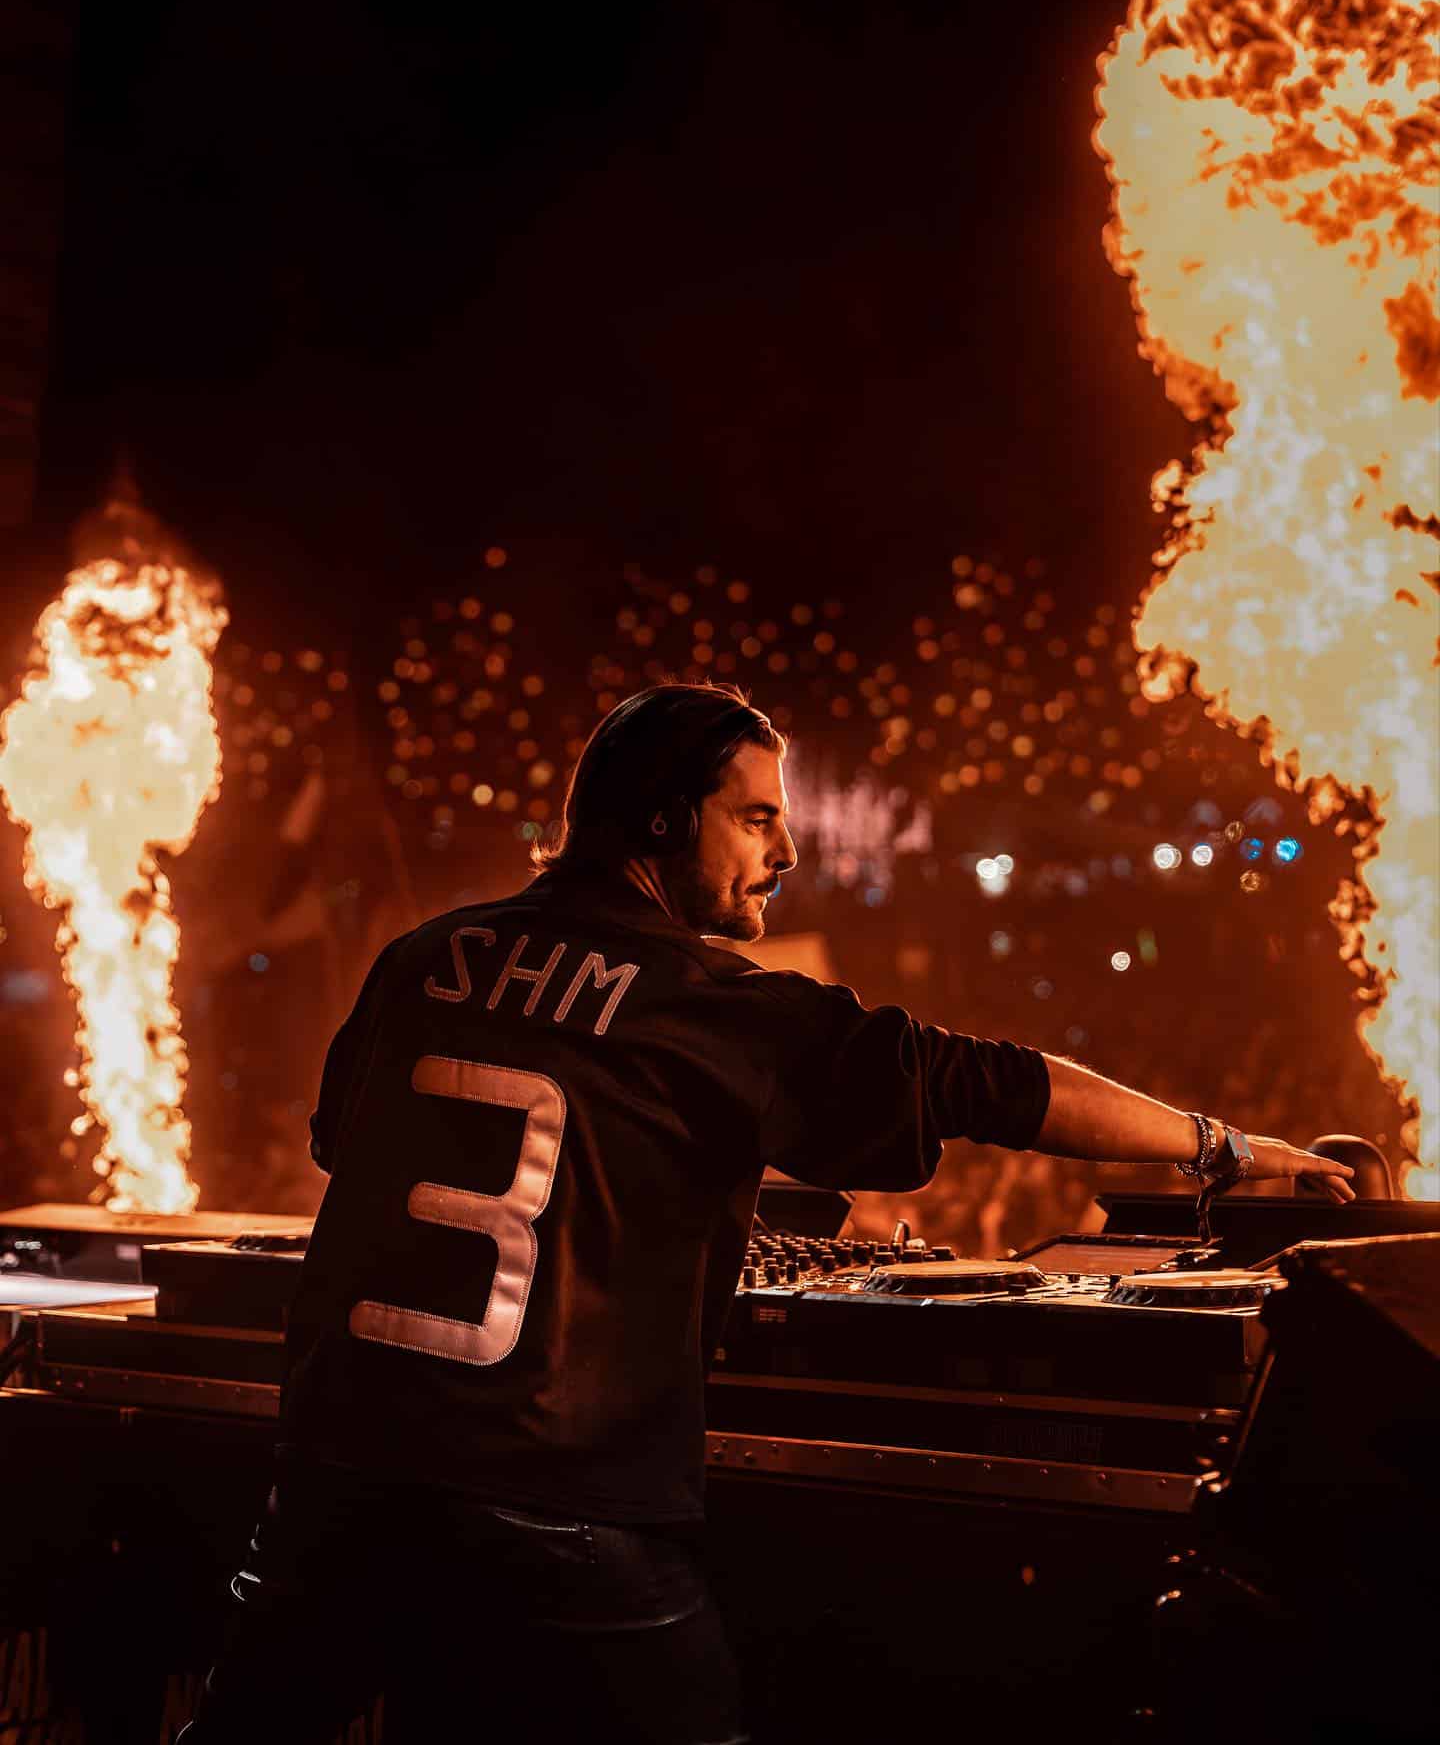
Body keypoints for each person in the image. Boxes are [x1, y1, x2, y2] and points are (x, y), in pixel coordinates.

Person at [180, 681, 1354, 1744]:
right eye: (754, 818)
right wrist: (1227, 1147)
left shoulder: (416, 960)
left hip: (336, 1480)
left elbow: (352, 1148)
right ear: (661, 819)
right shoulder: (709, 1004)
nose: (787, 851)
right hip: (558, 1503)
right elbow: (987, 1082)